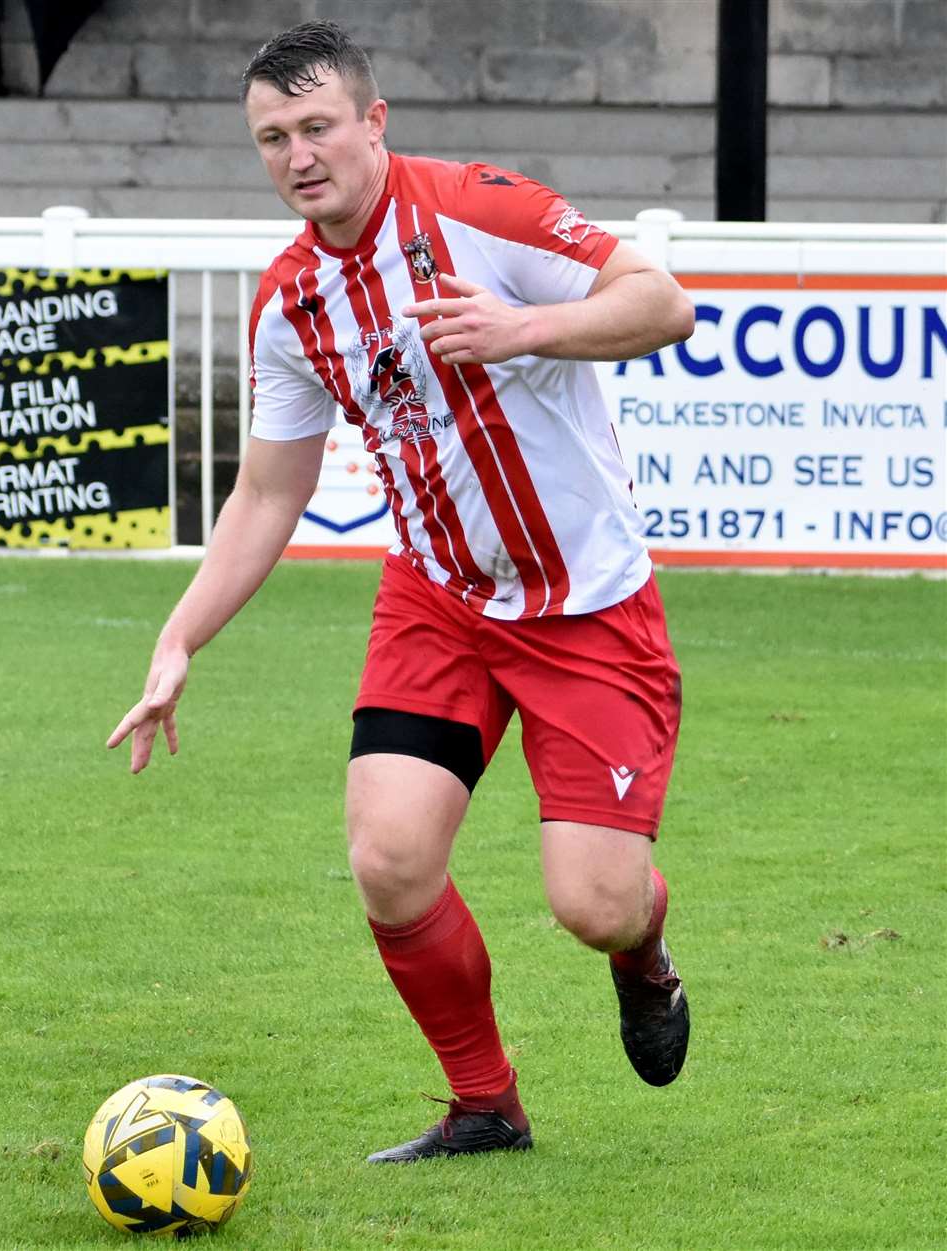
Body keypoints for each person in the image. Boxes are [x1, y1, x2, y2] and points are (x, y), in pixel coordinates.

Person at [108, 20, 695, 1164]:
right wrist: (180, 638)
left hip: (588, 610)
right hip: (438, 602)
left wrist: (530, 326)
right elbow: (269, 494)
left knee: (595, 904)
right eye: (272, 137)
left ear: (374, 122)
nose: (297, 154)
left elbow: (662, 304)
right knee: (388, 858)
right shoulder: (290, 304)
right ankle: (485, 1105)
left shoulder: (483, 210)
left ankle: (643, 955)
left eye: (317, 126)